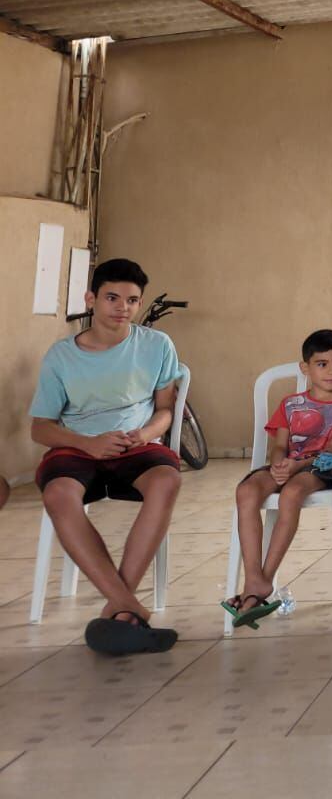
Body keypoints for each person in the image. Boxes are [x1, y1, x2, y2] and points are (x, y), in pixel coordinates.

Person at [30, 258, 183, 655]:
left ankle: (120, 610)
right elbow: (40, 427)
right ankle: (129, 609)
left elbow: (165, 410)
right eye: (113, 297)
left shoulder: (157, 345)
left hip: (136, 445)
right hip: (77, 447)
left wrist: (143, 434)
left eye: (133, 300)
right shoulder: (61, 356)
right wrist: (88, 443)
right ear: (91, 299)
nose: (123, 308)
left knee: (167, 480)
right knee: (58, 496)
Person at [225, 328, 332, 628]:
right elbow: (278, 446)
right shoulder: (290, 404)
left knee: (291, 494)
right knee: (246, 492)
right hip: (288, 465)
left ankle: (265, 578)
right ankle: (255, 580)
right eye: (322, 364)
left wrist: (294, 468)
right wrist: (278, 466)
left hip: (324, 467)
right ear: (306, 368)